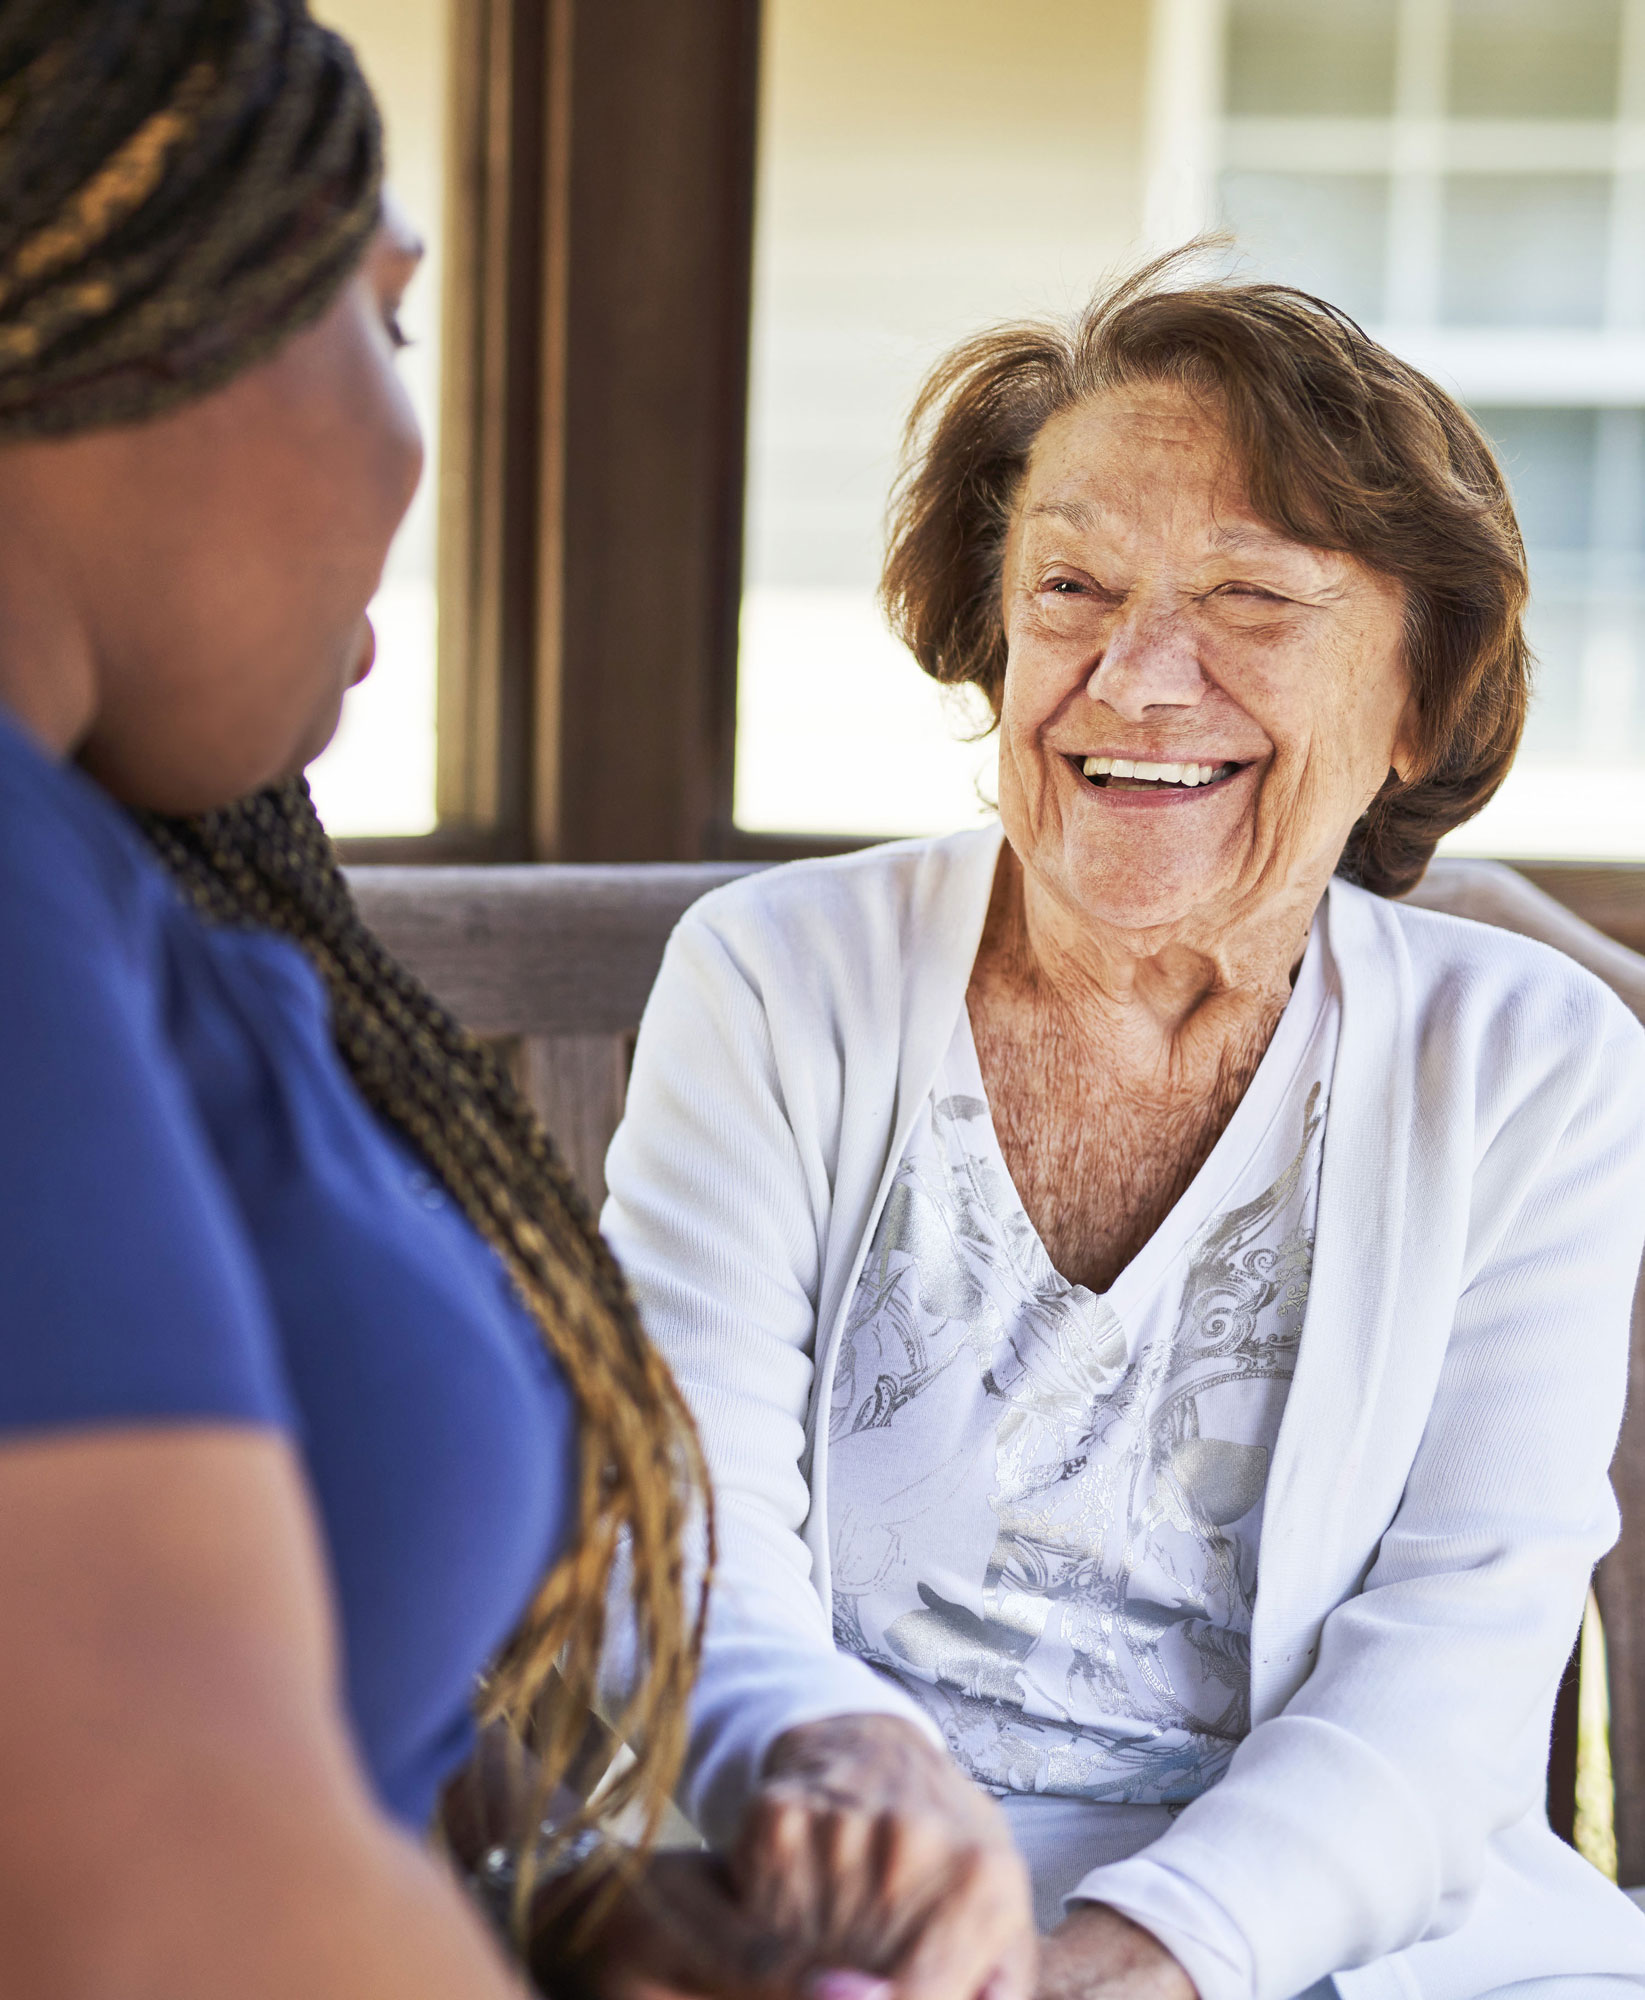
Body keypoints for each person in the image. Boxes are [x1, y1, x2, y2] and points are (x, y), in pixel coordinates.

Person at [597, 261, 1645, 1999]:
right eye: (1069, 586)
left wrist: (1140, 1958)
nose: (1136, 678)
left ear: (1418, 699)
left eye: (1247, 597)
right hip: (830, 1892)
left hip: (1343, 1919)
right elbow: (676, 1526)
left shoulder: (1529, 1064)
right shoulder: (780, 981)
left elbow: (1461, 1647)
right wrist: (835, 1816)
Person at [0, 5, 703, 1996]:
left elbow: (199, 1701)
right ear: (135, 305)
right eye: (387, 322)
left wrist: (545, 1884)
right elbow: (159, 1876)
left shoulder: (80, 873)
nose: (422, 439)